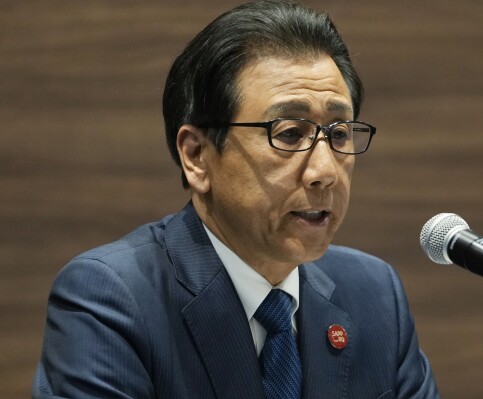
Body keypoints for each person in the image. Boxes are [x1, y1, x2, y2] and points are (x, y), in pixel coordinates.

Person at [32, 1, 440, 398]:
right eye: (289, 133)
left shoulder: (374, 294)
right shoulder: (113, 298)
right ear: (197, 156)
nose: (325, 171)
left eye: (337, 133)